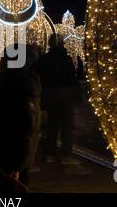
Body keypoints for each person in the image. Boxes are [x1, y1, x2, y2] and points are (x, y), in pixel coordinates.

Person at [0, 44, 41, 193]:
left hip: (12, 159)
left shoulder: (22, 87)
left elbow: (28, 129)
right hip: (3, 156)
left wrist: (17, 165)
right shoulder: (8, 85)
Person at [35, 34, 82, 165]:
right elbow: (73, 77)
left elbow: (37, 73)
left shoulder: (44, 59)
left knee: (52, 124)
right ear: (62, 44)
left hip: (49, 93)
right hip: (65, 93)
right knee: (67, 125)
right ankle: (66, 155)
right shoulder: (66, 59)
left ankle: (50, 153)